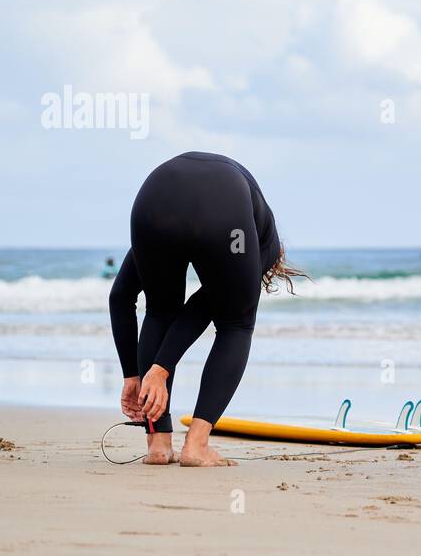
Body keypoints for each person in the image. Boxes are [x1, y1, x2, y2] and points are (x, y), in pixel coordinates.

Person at [109, 152, 305, 466]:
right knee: (236, 324)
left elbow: (120, 297)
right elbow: (212, 301)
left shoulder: (235, 208)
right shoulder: (263, 245)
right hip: (224, 215)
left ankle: (158, 444)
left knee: (160, 309)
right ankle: (196, 445)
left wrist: (132, 374)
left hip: (153, 199)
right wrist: (159, 369)